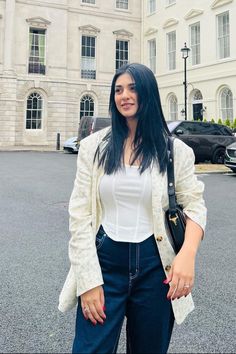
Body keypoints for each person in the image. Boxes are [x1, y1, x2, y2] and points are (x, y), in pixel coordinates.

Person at [58, 63, 207, 354]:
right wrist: (88, 281)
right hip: (104, 261)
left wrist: (187, 255)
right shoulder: (93, 147)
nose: (124, 95)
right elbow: (79, 216)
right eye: (118, 89)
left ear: (148, 93)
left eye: (132, 88)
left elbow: (194, 205)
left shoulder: (175, 151)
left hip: (156, 266)